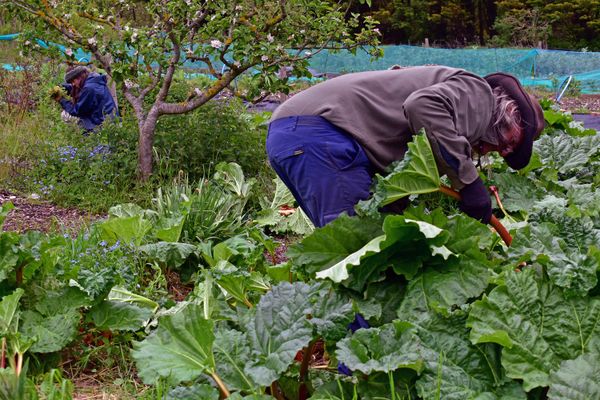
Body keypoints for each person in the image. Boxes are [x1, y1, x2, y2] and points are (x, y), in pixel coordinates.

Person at [266, 66, 545, 227]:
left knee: (352, 242)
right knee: (357, 251)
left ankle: (355, 328)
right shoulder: (479, 95)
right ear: (509, 113)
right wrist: (469, 183)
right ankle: (360, 331)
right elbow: (421, 105)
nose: (503, 152)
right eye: (511, 144)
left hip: (298, 136)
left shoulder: (462, 111)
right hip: (319, 134)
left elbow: (397, 164)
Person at [51, 66, 118, 132]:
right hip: (110, 120)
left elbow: (77, 110)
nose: (73, 84)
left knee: (72, 119)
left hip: (104, 125)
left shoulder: (89, 89)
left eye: (73, 81)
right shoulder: (93, 80)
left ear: (80, 77)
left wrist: (61, 100)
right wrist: (62, 87)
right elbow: (75, 87)